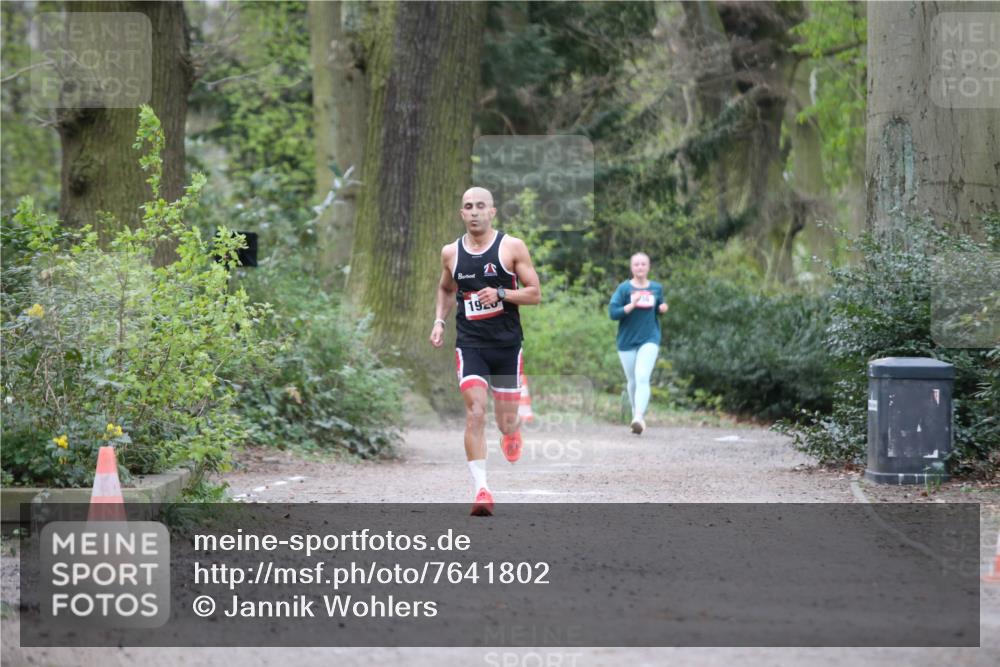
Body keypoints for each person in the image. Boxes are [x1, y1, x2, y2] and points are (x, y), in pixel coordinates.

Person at [430, 187, 541, 516]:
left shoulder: (511, 247)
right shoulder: (451, 253)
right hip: (470, 344)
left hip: (506, 346)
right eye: (468, 207)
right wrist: (439, 320)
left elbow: (534, 293)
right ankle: (481, 489)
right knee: (475, 412)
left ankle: (512, 431)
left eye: (481, 206)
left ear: (492, 212)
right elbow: (445, 288)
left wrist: (503, 293)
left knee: (505, 422)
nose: (475, 212)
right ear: (461, 214)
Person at [608, 252, 668, 435]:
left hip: (650, 338)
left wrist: (662, 308)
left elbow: (658, 307)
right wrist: (631, 305)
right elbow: (613, 313)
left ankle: (639, 417)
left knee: (642, 376)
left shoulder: (656, 288)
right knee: (633, 381)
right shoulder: (624, 289)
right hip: (626, 341)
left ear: (648, 267)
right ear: (631, 267)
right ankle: (636, 413)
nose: (640, 267)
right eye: (636, 264)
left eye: (643, 264)